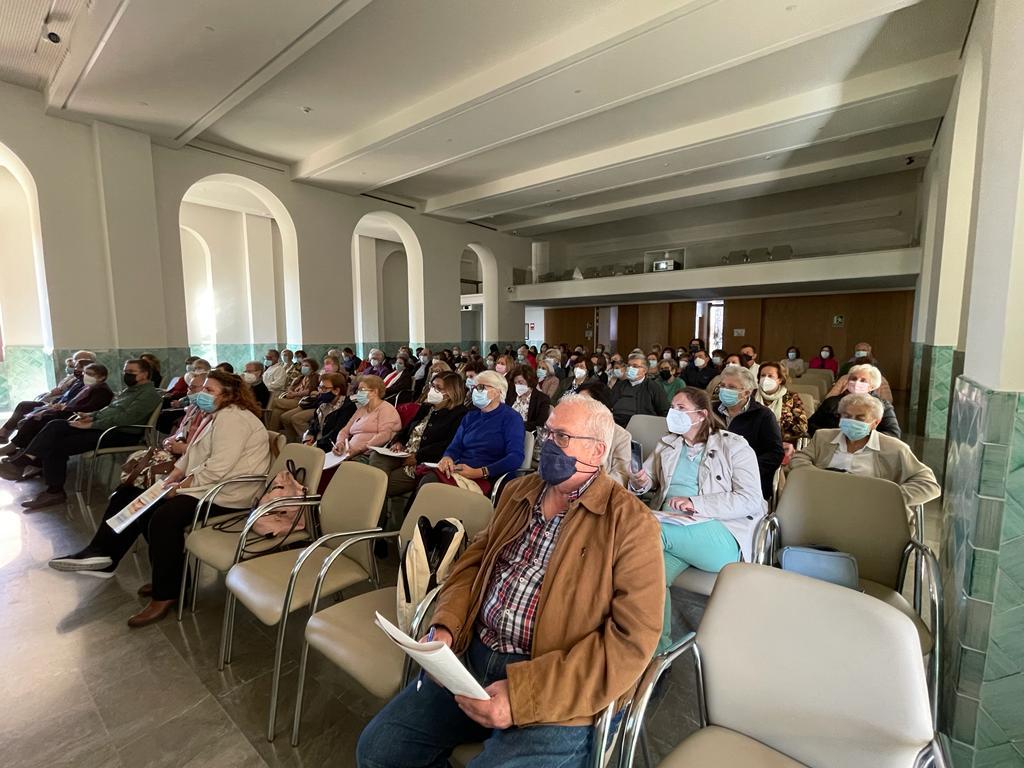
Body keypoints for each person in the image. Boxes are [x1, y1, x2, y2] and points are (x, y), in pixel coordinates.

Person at [357, 396, 663, 768]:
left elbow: (632, 640)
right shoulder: (520, 491)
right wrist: (446, 626)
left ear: (597, 451)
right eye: (547, 432)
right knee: (378, 753)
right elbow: (472, 563)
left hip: (556, 684)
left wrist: (522, 695)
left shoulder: (631, 523)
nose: (548, 444)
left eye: (562, 437)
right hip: (472, 658)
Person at [47, 370, 272, 626]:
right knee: (129, 493)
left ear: (229, 394)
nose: (202, 394)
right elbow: (193, 456)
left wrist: (179, 487)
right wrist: (170, 479)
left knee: (163, 516)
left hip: (229, 493)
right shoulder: (218, 416)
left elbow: (219, 468)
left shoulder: (234, 419)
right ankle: (103, 555)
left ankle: (167, 593)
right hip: (209, 483)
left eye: (209, 390)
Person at [629, 387, 765, 649]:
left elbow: (750, 499)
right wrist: (639, 482)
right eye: (672, 407)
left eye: (680, 408)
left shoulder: (733, 446)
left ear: (701, 415)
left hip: (719, 533)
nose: (672, 413)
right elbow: (649, 483)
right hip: (670, 527)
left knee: (642, 530)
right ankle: (658, 652)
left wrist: (695, 503)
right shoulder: (667, 444)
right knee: (647, 576)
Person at [4, 359, 164, 508]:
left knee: (57, 440)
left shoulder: (148, 395)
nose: (126, 375)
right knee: (56, 427)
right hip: (104, 427)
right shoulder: (129, 391)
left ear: (144, 374)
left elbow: (125, 419)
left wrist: (91, 425)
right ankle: (33, 469)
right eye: (124, 371)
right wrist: (89, 416)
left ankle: (32, 471)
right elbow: (107, 411)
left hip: (120, 434)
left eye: (131, 372)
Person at [791, 393, 940, 509]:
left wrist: (890, 496)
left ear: (875, 423)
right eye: (847, 416)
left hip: (871, 510)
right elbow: (799, 459)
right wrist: (817, 476)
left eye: (860, 418)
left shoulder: (894, 448)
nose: (852, 421)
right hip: (824, 502)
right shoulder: (823, 437)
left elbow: (928, 484)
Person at [420, 371, 525, 496]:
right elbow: (455, 446)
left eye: (480, 387)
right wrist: (447, 457)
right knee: (428, 481)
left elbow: (515, 457)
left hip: (490, 476)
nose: (475, 391)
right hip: (461, 471)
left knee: (434, 490)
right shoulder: (471, 416)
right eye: (474, 387)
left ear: (497, 391)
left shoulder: (511, 418)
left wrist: (480, 472)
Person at [369, 372, 467, 502]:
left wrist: (417, 456)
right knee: (376, 458)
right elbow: (406, 430)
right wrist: (398, 442)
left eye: (438, 388)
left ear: (452, 392)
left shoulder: (459, 414)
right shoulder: (426, 408)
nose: (433, 390)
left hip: (421, 461)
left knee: (381, 486)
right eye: (432, 386)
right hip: (403, 453)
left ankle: (374, 513)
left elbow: (447, 444)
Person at [0, 363, 114, 459]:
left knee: (40, 420)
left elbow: (89, 408)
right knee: (35, 416)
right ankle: (21, 451)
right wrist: (59, 405)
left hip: (75, 416)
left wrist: (65, 408)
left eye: (91, 374)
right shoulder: (87, 387)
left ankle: (21, 453)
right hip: (67, 411)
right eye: (85, 373)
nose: (86, 376)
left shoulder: (102, 391)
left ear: (101, 377)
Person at [713, 364, 784, 500]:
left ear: (746, 392)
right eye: (722, 385)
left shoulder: (763, 415)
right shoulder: (712, 410)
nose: (724, 390)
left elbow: (775, 453)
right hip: (712, 474)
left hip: (746, 479)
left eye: (731, 387)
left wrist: (743, 469)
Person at [0, 350, 97, 443]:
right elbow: (64, 393)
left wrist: (55, 403)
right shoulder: (75, 378)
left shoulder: (89, 382)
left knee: (28, 411)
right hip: (57, 403)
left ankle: (11, 443)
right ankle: (8, 439)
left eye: (79, 361)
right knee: (26, 409)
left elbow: (73, 399)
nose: (74, 363)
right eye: (75, 360)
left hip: (64, 408)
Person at [810, 364, 901, 438]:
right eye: (853, 379)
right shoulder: (831, 402)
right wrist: (833, 436)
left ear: (872, 386)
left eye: (863, 380)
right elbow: (811, 425)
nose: (857, 382)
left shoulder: (883, 406)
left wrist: (863, 438)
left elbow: (893, 433)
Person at [329, 375, 401, 462]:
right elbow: (344, 431)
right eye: (358, 390)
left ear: (374, 392)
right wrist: (339, 443)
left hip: (366, 454)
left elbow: (385, 435)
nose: (358, 393)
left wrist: (359, 449)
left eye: (362, 390)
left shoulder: (386, 409)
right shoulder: (361, 409)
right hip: (348, 452)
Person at [576, 380, 631, 486]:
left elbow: (621, 475)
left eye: (585, 403)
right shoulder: (571, 427)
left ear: (602, 407)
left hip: (598, 490)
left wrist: (590, 486)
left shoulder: (621, 436)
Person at [755, 362, 809, 462]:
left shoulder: (792, 398)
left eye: (770, 376)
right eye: (763, 375)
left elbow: (802, 427)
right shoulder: (750, 396)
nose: (765, 379)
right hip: (751, 443)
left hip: (781, 444)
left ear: (780, 379)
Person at [608, 353, 670, 427]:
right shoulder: (619, 385)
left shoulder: (653, 387)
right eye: (629, 365)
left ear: (645, 370)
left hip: (642, 427)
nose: (630, 368)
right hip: (617, 425)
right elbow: (609, 404)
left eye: (635, 366)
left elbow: (664, 411)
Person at [301, 373, 356, 450]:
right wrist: (309, 436)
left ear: (336, 390)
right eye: (320, 387)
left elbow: (337, 432)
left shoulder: (347, 407)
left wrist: (316, 444)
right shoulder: (323, 404)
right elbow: (314, 424)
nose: (320, 391)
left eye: (324, 388)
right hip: (316, 443)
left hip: (331, 446)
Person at [266, 358, 320, 430]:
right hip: (293, 398)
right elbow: (291, 387)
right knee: (277, 412)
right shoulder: (301, 377)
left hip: (302, 401)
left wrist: (294, 394)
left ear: (313, 368)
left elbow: (309, 391)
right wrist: (290, 391)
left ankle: (263, 416)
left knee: (274, 401)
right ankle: (273, 433)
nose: (303, 367)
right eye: (303, 365)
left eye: (306, 366)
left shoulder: (315, 377)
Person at [507, 365, 551, 433]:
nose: (517, 386)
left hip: (526, 433)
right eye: (515, 383)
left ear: (530, 381)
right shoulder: (512, 394)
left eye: (520, 382)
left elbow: (539, 423)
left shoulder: (542, 399)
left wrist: (516, 425)